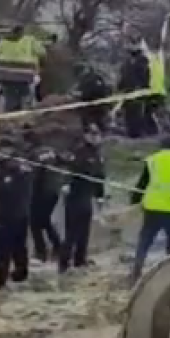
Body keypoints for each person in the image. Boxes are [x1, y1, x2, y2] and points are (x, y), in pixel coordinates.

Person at [129, 135, 170, 286]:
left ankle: (136, 272)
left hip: (152, 208)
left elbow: (142, 184)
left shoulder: (153, 160)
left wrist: (134, 200)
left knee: (145, 240)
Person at [60, 132, 106, 275]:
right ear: (86, 136)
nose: (96, 137)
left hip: (87, 198)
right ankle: (64, 263)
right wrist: (66, 184)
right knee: (71, 233)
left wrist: (100, 196)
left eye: (97, 134)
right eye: (92, 134)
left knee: (84, 233)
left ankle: (80, 260)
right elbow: (69, 170)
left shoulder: (98, 155)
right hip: (75, 196)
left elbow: (100, 177)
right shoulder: (79, 152)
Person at [0, 144, 32, 289]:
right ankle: (20, 273)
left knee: (3, 249)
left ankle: (2, 279)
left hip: (7, 217)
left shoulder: (9, 173)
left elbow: (0, 191)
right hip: (21, 214)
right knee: (19, 247)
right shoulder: (23, 169)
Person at [0, 24, 46, 113]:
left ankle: (10, 119)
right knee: (26, 99)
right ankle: (23, 119)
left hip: (5, 77)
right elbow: (42, 54)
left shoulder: (3, 41)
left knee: (10, 100)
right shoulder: (30, 41)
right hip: (25, 78)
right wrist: (42, 66)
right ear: (22, 32)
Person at [27, 135, 65, 263]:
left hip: (41, 192)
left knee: (35, 223)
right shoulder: (51, 150)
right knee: (45, 221)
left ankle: (41, 252)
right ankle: (57, 247)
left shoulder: (33, 155)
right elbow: (63, 162)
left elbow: (34, 176)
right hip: (54, 191)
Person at [117, 47, 151, 139]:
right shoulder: (128, 64)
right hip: (130, 91)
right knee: (131, 112)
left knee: (135, 112)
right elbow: (123, 78)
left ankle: (136, 132)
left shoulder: (139, 63)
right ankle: (133, 132)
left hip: (135, 91)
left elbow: (145, 78)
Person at [76, 65, 111, 133]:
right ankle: (102, 132)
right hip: (98, 103)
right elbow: (103, 89)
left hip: (91, 104)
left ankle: (94, 132)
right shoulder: (97, 77)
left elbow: (86, 91)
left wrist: (81, 94)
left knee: (91, 120)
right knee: (98, 121)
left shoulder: (88, 79)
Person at [143, 43, 166, 135]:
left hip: (152, 91)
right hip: (160, 92)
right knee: (151, 112)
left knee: (148, 113)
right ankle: (155, 130)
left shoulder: (150, 61)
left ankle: (153, 131)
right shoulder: (159, 60)